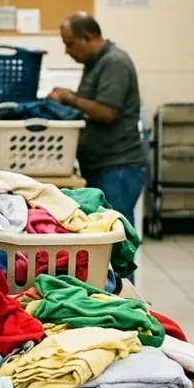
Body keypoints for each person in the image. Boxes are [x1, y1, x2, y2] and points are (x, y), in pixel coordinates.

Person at [47, 12, 147, 245]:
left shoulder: (114, 62)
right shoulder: (94, 64)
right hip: (101, 165)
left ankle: (122, 283)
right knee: (101, 240)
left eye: (69, 43)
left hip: (118, 168)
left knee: (115, 242)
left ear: (88, 37)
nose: (67, 51)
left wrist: (71, 99)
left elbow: (107, 112)